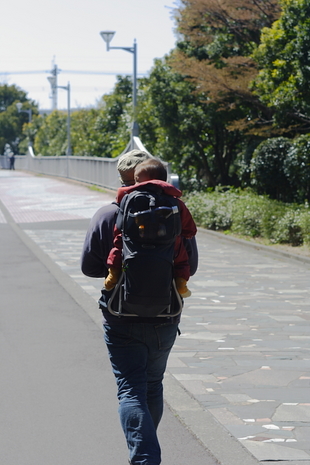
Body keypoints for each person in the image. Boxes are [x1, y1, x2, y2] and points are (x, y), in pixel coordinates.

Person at [81, 149, 198, 465]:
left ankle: (144, 456)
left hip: (121, 315)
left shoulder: (109, 214)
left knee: (130, 389)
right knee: (152, 384)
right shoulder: (174, 208)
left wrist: (118, 270)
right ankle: (146, 447)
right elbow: (192, 264)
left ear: (127, 180)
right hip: (165, 315)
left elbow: (89, 267)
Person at [104, 158, 197, 298]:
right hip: (167, 246)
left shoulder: (128, 198)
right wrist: (187, 233)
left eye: (136, 180)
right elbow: (189, 227)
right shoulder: (175, 202)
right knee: (180, 256)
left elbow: (119, 227)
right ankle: (181, 283)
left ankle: (114, 274)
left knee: (118, 246)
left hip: (134, 245)